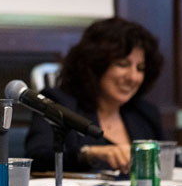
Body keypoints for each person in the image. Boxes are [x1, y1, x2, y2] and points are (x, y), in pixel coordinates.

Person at [24, 17, 164, 174]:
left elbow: (169, 165)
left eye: (140, 68)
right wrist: (89, 154)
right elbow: (36, 158)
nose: (133, 77)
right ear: (96, 64)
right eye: (122, 64)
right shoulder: (60, 103)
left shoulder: (145, 113)